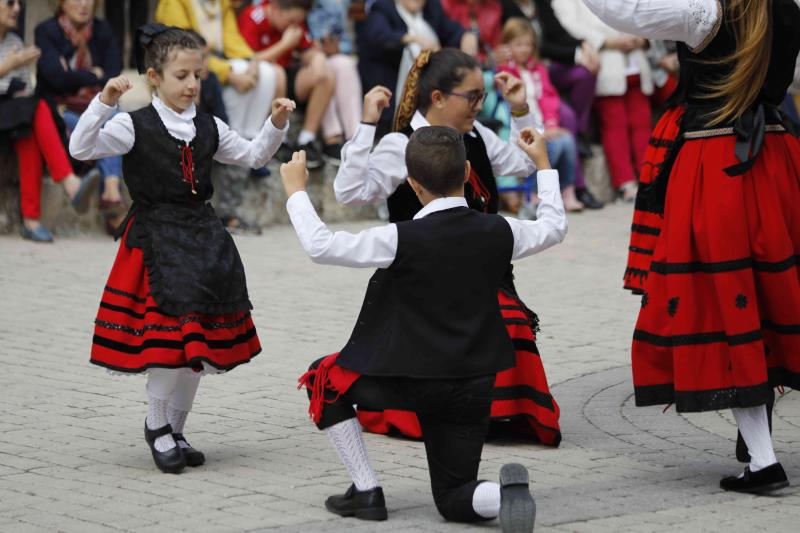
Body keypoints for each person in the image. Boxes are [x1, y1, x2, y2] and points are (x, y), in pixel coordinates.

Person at [287, 124, 565, 529]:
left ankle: (366, 490)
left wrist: (296, 191)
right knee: (454, 497)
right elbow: (555, 226)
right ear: (469, 173)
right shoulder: (501, 229)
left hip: (410, 378)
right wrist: (542, 164)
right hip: (475, 381)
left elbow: (322, 246)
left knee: (324, 377)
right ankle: (503, 495)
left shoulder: (399, 237)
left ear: (413, 184)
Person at [581, 0, 800, 493]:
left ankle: (764, 460)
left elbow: (620, 11)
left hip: (717, 163)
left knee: (726, 305)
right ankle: (757, 446)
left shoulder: (704, 13)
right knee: (767, 297)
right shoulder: (788, 9)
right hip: (778, 158)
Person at [69, 25, 293, 474]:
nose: (192, 84)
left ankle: (176, 426)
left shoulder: (208, 126)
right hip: (156, 242)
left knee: (199, 346)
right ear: (155, 76)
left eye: (198, 76)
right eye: (181, 75)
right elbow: (81, 147)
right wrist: (105, 101)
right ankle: (156, 425)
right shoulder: (134, 126)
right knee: (169, 341)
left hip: (205, 242)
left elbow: (252, 156)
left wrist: (277, 124)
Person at [333, 49, 562, 446]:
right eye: (472, 97)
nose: (479, 104)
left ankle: (498, 410)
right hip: (421, 279)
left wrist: (521, 110)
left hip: (482, 277)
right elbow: (350, 191)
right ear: (438, 97)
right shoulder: (399, 145)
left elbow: (526, 162)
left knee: (504, 316)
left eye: (482, 96)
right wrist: (367, 124)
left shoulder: (479, 136)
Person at [0, 0, 99, 242]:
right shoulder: (15, 50)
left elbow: (24, 88)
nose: (17, 9)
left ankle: (32, 221)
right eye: (10, 3)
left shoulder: (14, 42)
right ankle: (69, 183)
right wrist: (6, 67)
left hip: (10, 116)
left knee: (31, 122)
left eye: (19, 4)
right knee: (37, 108)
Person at [35, 0, 126, 234]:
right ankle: (113, 201)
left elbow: (113, 74)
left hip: (98, 105)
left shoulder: (102, 30)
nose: (84, 4)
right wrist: (93, 74)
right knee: (101, 125)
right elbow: (55, 79)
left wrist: (72, 74)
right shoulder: (46, 31)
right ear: (61, 3)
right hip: (62, 110)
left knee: (115, 117)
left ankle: (111, 191)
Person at [499, 0, 602, 209]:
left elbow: (548, 97)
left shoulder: (537, 69)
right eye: (519, 45)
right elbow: (506, 104)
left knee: (566, 138)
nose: (525, 50)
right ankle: (537, 191)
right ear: (508, 46)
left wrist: (552, 122)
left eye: (528, 45)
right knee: (554, 145)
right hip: (523, 129)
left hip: (544, 122)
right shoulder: (505, 72)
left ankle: (568, 189)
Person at [552, 0, 654, 202]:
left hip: (636, 64)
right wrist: (607, 41)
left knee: (642, 124)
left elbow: (649, 12)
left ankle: (650, 179)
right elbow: (570, 24)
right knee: (615, 125)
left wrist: (643, 39)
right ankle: (625, 183)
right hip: (606, 64)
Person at [155, 0, 283, 154]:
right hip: (195, 64)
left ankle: (251, 138)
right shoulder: (173, 3)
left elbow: (232, 39)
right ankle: (232, 140)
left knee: (266, 72)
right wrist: (228, 73)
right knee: (240, 70)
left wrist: (252, 60)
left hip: (216, 60)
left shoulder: (221, 2)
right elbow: (184, 53)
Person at [355, 0, 477, 137]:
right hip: (394, 81)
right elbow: (378, 36)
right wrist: (410, 39)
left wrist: (466, 35)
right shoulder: (383, 7)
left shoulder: (432, 8)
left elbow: (452, 30)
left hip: (433, 78)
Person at [237, 0, 335, 168]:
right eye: (290, 21)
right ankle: (280, 141)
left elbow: (307, 50)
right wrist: (285, 45)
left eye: (298, 22)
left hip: (287, 74)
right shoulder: (253, 17)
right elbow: (248, 58)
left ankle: (307, 138)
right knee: (278, 73)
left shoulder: (295, 20)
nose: (294, 26)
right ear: (275, 8)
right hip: (262, 80)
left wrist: (317, 57)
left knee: (325, 74)